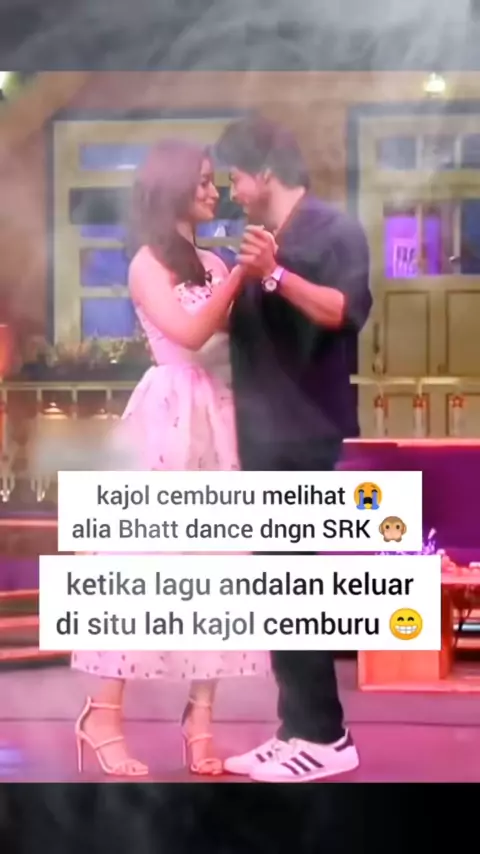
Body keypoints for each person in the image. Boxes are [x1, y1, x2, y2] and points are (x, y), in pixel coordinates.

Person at [72, 139, 270, 778]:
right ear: (174, 187)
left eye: (215, 180)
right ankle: (102, 715)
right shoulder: (147, 264)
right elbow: (186, 334)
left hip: (216, 413)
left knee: (218, 571)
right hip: (166, 414)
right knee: (141, 567)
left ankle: (200, 721)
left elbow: (233, 340)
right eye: (204, 181)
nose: (214, 192)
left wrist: (256, 278)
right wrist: (238, 277)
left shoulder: (212, 260)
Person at [214, 115, 372, 783]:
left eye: (235, 178)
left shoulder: (333, 228)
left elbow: (344, 309)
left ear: (265, 172)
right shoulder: (258, 241)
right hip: (261, 433)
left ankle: (327, 738)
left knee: (293, 582)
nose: (232, 192)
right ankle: (295, 729)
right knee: (276, 585)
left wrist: (274, 274)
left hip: (304, 432)